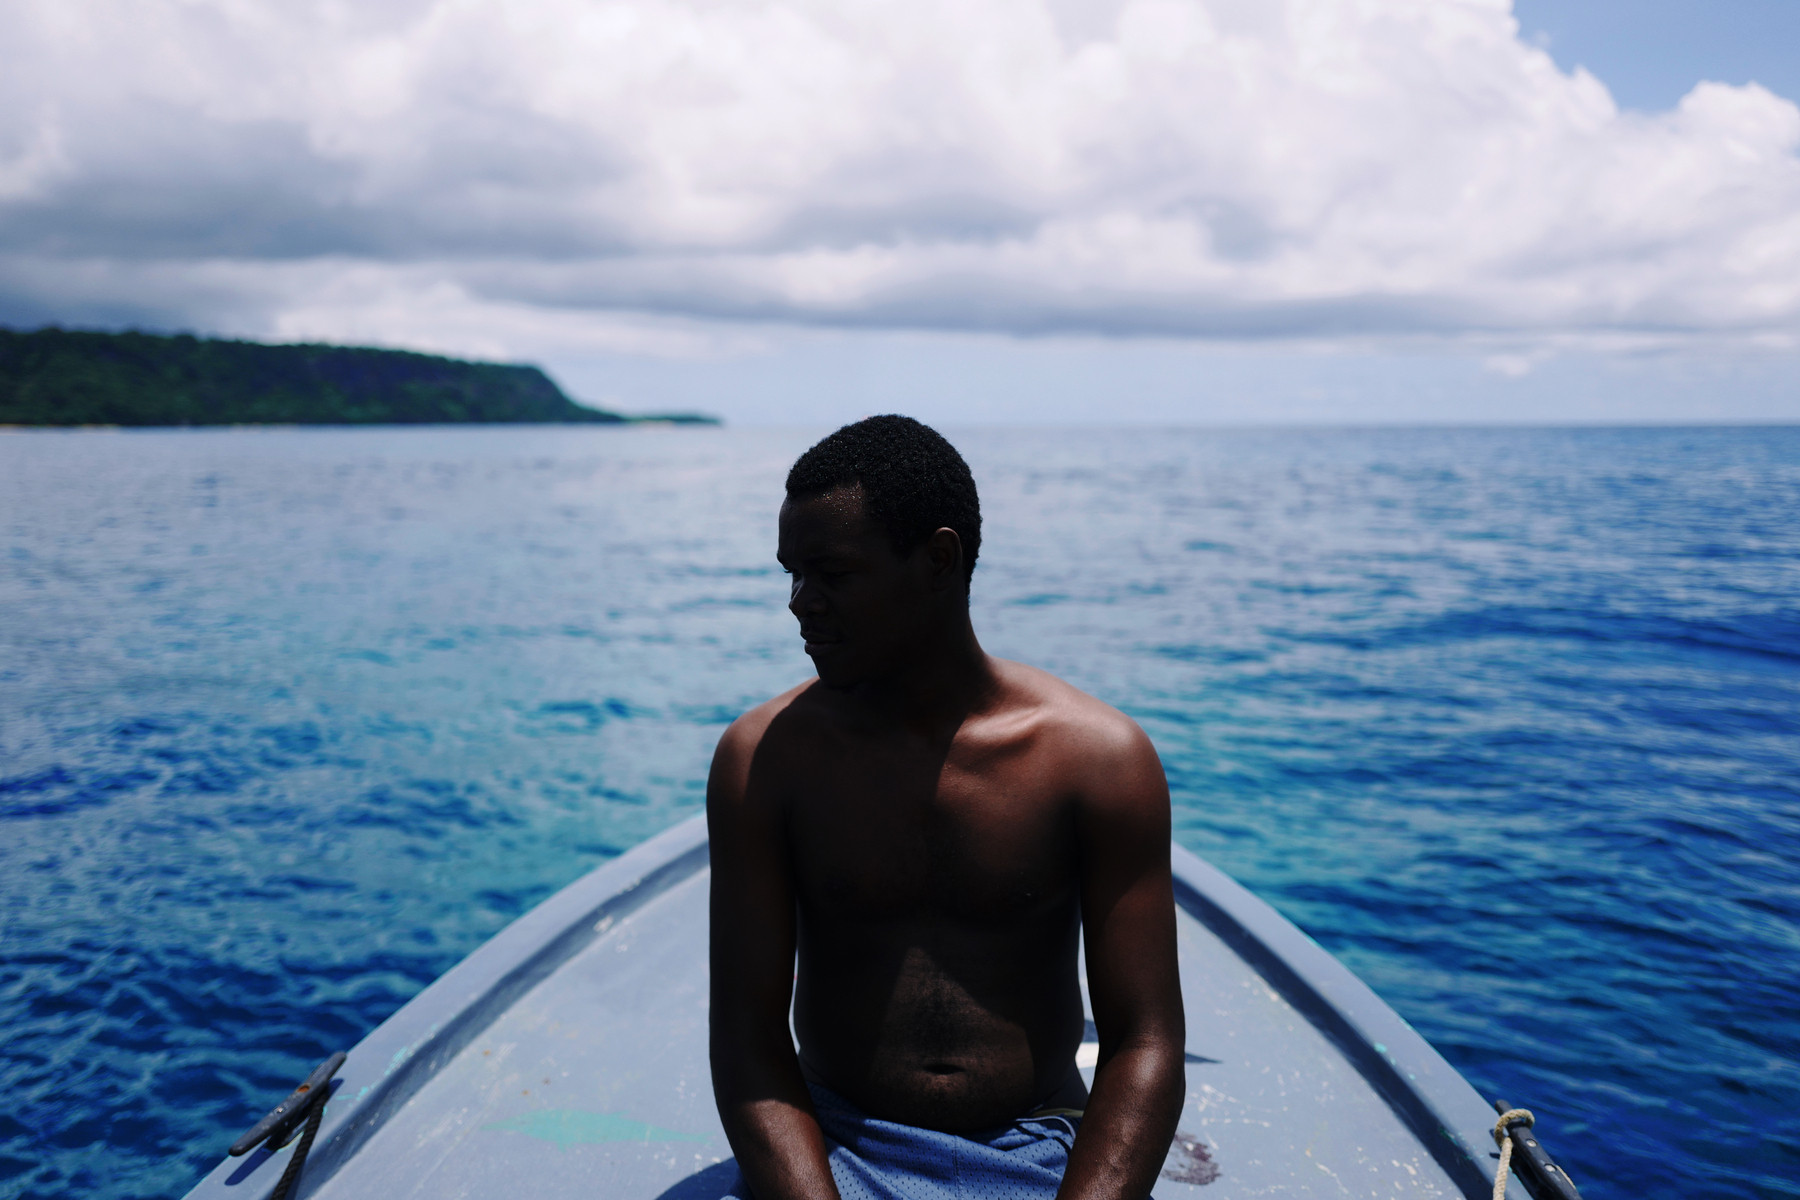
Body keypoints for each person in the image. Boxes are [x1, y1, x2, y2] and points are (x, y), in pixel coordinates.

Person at [708, 415, 1185, 1200]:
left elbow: (1145, 1040)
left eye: (833, 574)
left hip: (1042, 1143)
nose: (801, 604)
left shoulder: (1096, 761)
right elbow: (747, 1042)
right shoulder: (766, 761)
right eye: (792, 574)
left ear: (938, 559)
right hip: (832, 1143)